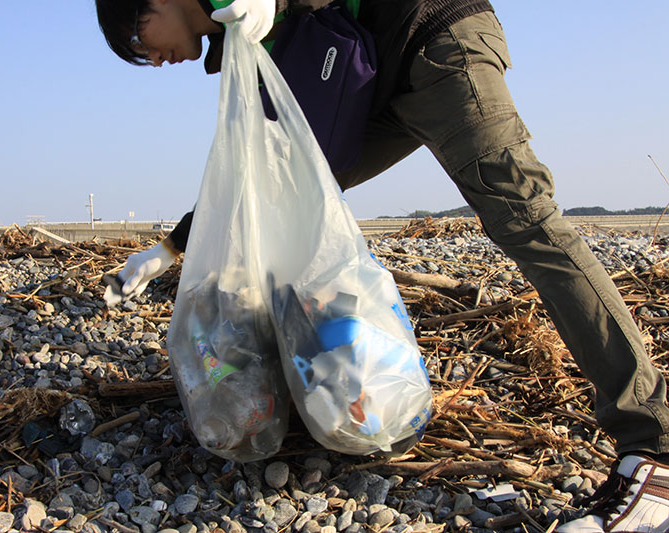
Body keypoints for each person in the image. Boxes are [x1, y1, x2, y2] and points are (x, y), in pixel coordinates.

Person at [94, 0, 669, 530]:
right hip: (371, 75)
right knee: (286, 195)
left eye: (136, 37)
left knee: (527, 222)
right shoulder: (238, 38)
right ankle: (323, 391)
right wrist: (170, 250)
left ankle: (654, 451)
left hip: (433, 36)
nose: (151, 59)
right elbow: (255, 175)